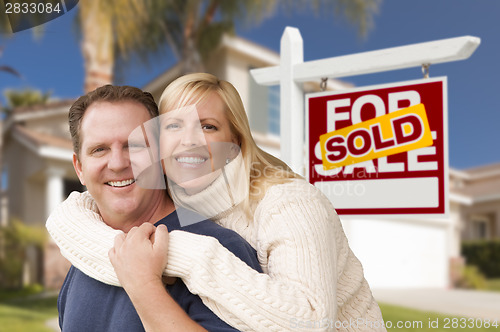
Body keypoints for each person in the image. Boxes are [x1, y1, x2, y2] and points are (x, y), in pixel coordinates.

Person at [47, 74, 386, 331]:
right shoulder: (89, 251)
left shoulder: (278, 209)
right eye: (99, 149)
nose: (189, 142)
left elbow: (312, 320)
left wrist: (164, 268)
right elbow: (73, 216)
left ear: (235, 142)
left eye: (208, 126)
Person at [49, 85, 263, 332]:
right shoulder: (86, 257)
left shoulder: (219, 247)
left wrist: (145, 285)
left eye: (135, 146)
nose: (118, 163)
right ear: (79, 169)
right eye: (100, 150)